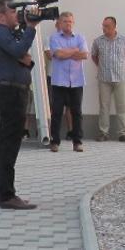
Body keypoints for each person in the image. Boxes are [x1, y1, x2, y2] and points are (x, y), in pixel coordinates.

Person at [0, 0, 38, 209]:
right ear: (1, 16)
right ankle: (6, 194)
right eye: (12, 12)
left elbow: (22, 57)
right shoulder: (0, 33)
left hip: (15, 90)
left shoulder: (7, 34)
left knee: (10, 142)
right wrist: (31, 27)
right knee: (8, 143)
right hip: (10, 92)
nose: (16, 14)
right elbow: (19, 52)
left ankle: (5, 192)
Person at [46, 11, 87, 152]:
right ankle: (55, 142)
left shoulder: (80, 37)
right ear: (60, 23)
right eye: (65, 21)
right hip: (59, 81)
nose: (68, 24)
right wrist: (74, 51)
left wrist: (67, 52)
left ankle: (77, 142)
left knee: (77, 112)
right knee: (57, 112)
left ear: (73, 23)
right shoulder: (54, 38)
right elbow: (58, 54)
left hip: (76, 81)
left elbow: (84, 55)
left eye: (70, 21)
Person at [91, 16, 125, 142]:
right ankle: (103, 133)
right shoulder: (98, 41)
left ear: (114, 26)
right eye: (103, 26)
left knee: (121, 106)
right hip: (104, 78)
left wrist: (124, 68)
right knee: (104, 106)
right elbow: (94, 56)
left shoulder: (124, 40)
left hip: (120, 78)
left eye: (107, 26)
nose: (104, 28)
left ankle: (122, 134)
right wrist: (101, 67)